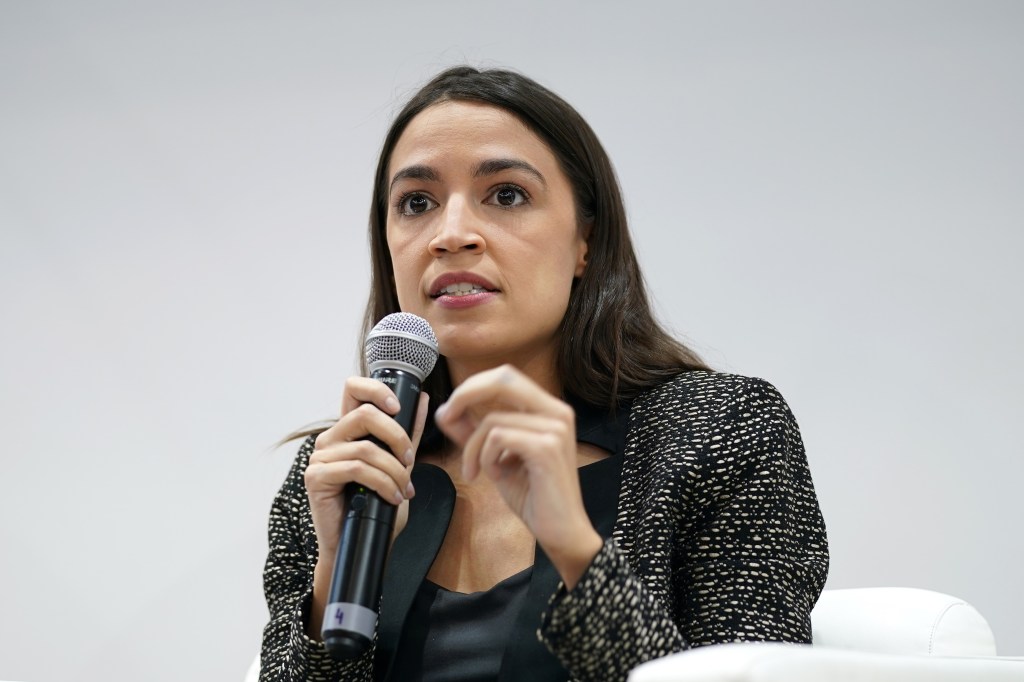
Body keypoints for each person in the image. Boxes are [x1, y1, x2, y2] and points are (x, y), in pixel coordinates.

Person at [260, 66, 829, 682]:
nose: (451, 235)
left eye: (506, 195)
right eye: (416, 203)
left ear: (586, 240)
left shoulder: (716, 432)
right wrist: (334, 575)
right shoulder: (343, 468)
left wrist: (573, 545)